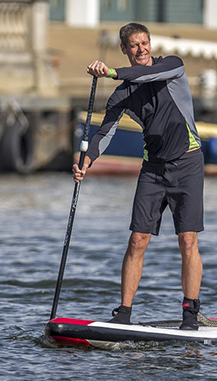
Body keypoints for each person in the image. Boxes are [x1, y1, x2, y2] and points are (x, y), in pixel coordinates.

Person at [73, 22, 205, 330]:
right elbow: (105, 132)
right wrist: (87, 160)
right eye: (134, 45)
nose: (141, 49)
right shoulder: (122, 95)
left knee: (187, 240)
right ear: (124, 49)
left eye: (145, 43)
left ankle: (190, 312)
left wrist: (110, 72)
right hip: (153, 169)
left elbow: (144, 74)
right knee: (137, 240)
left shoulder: (172, 67)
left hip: (188, 162)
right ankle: (124, 313)